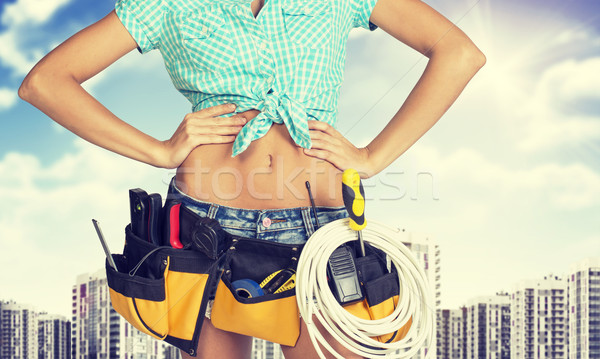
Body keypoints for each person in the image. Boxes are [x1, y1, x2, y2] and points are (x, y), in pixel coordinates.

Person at [18, 0, 485, 356]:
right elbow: (46, 82)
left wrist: (374, 156)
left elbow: (458, 52)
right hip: (205, 228)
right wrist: (158, 151)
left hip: (319, 229)